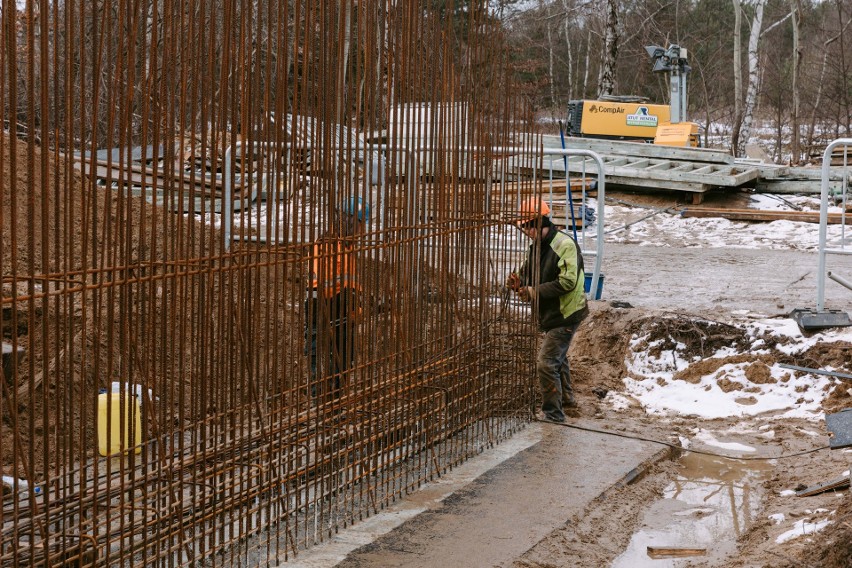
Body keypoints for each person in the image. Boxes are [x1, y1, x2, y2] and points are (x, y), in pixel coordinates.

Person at [506, 197, 589, 423]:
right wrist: (517, 281)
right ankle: (568, 401)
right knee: (558, 359)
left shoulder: (564, 245)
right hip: (551, 312)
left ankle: (553, 414)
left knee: (546, 363)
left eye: (526, 226)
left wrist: (533, 292)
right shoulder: (536, 248)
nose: (524, 231)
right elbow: (526, 272)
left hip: (567, 312)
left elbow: (568, 282)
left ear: (538, 222)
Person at [305, 196, 369, 405]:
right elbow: (325, 285)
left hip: (337, 305)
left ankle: (333, 397)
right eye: (362, 224)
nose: (364, 231)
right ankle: (322, 398)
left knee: (343, 357)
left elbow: (347, 281)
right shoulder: (331, 246)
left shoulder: (344, 245)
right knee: (327, 354)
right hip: (326, 305)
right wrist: (347, 305)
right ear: (351, 221)